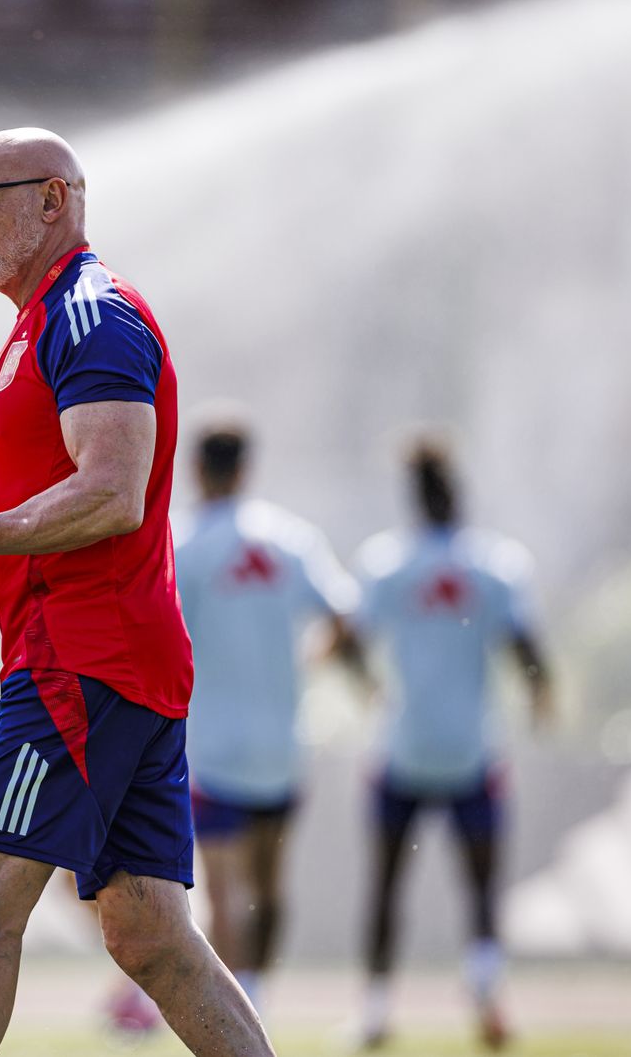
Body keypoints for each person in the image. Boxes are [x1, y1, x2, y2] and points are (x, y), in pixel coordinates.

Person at [0, 127, 274, 1057]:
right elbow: (60, 519)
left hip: (80, 664)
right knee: (151, 938)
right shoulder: (44, 321)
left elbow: (111, 496)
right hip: (116, 662)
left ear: (54, 199)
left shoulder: (90, 313)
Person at [353, 436, 553, 1051]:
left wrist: (366, 685)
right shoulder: (495, 564)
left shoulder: (388, 563)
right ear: (459, 494)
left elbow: (349, 640)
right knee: (482, 891)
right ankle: (488, 997)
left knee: (387, 887)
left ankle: (376, 1013)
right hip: (472, 750)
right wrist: (541, 696)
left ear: (412, 499)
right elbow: (526, 648)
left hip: (404, 747)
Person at [173, 417, 363, 1017]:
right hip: (281, 742)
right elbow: (345, 617)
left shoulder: (183, 542)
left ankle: (234, 1014)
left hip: (213, 743)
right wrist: (307, 662)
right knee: (270, 885)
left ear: (196, 468)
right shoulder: (291, 538)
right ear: (246, 468)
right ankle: (256, 994)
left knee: (223, 890)